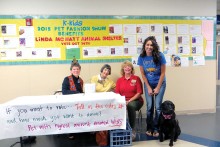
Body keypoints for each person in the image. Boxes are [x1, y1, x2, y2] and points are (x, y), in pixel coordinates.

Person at [137, 36, 166, 137]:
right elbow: (143, 74)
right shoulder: (141, 57)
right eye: (147, 45)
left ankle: (156, 128)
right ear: (144, 46)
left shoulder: (160, 55)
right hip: (148, 84)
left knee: (158, 107)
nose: (149, 47)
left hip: (160, 83)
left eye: (151, 45)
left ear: (154, 47)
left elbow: (163, 73)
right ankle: (149, 127)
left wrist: (158, 87)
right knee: (150, 107)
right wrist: (149, 87)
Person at [115, 60, 143, 141]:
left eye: (129, 66)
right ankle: (119, 129)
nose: (127, 68)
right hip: (123, 101)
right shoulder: (119, 80)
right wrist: (123, 101)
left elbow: (139, 93)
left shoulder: (136, 78)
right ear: (123, 69)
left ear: (131, 68)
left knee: (130, 106)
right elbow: (117, 93)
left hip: (136, 101)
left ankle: (132, 129)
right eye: (125, 67)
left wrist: (129, 101)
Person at [62, 59, 84, 139]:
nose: (76, 70)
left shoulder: (81, 80)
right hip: (69, 103)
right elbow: (64, 92)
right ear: (71, 71)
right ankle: (70, 132)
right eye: (74, 69)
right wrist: (76, 93)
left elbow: (81, 92)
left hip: (78, 103)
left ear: (80, 70)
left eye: (77, 69)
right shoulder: (66, 79)